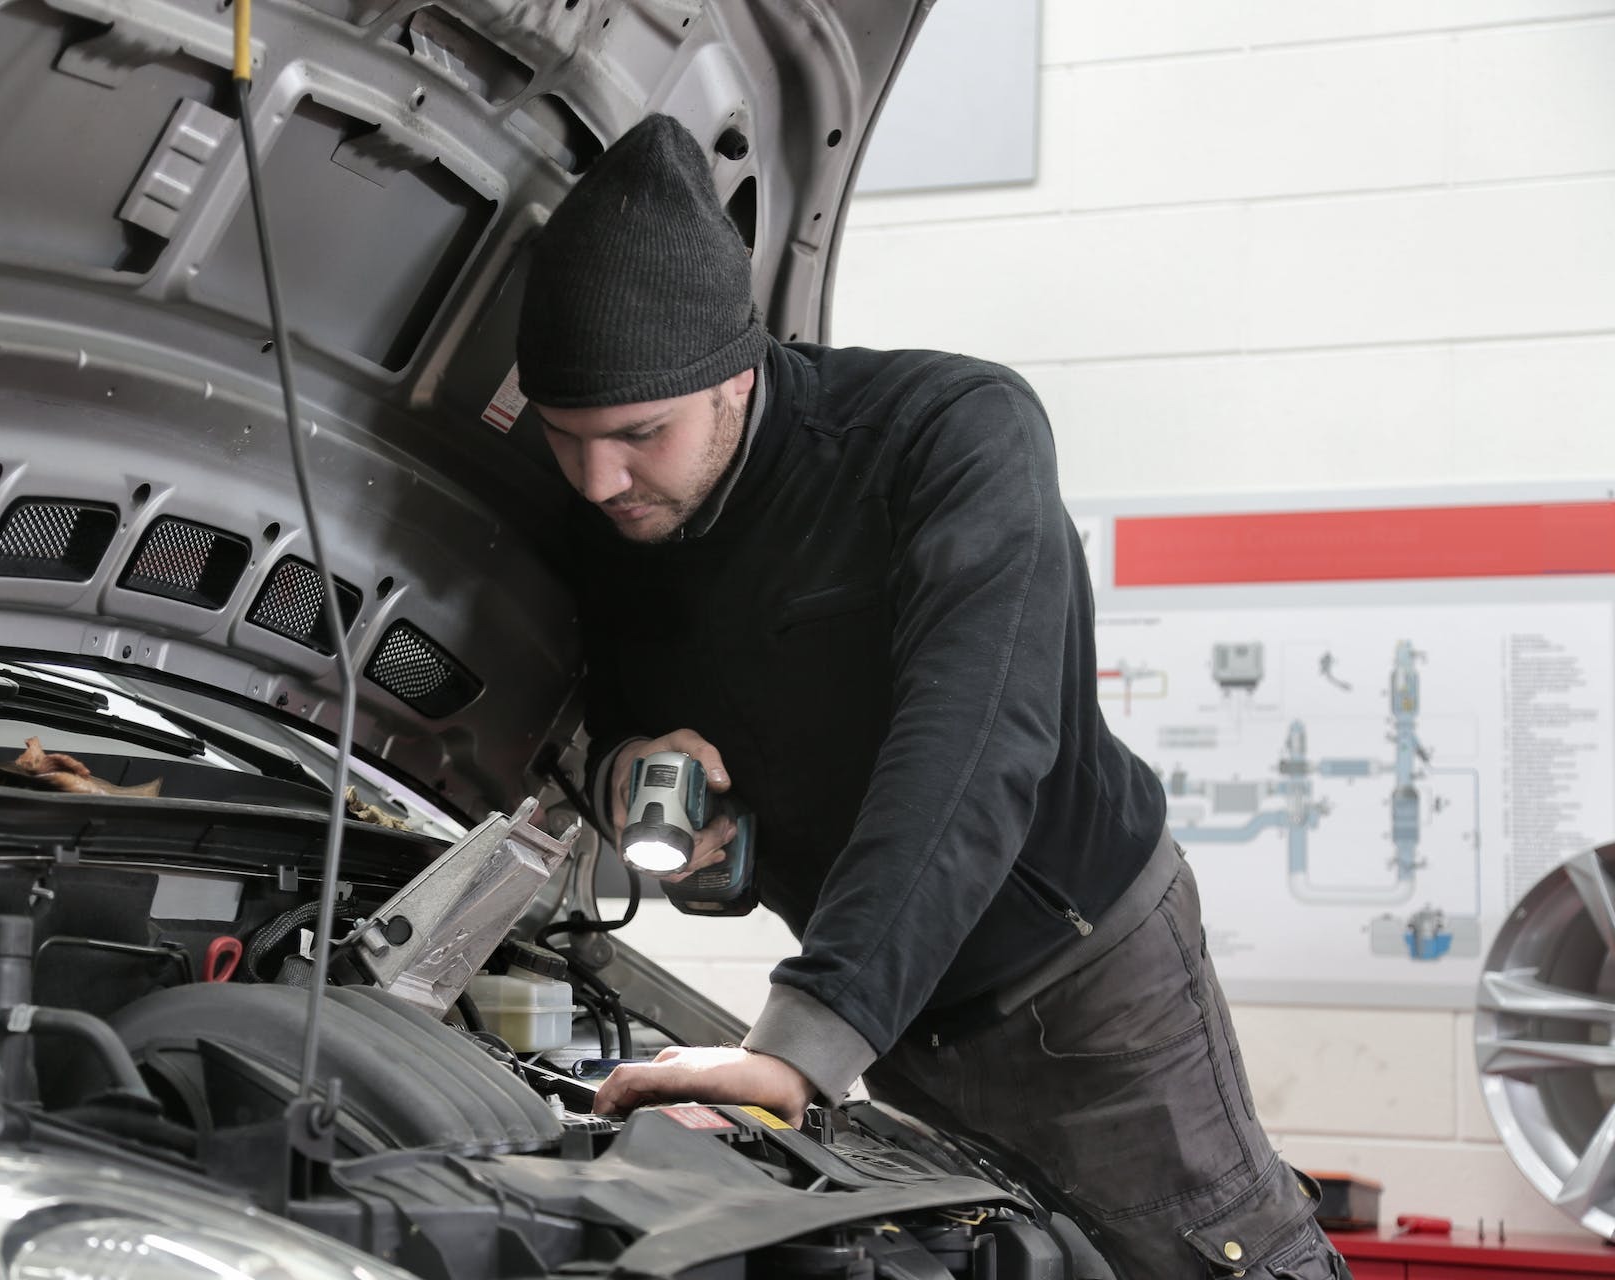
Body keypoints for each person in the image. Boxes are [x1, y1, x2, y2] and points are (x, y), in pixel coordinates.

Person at [513, 114, 1344, 1280]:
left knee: (1209, 1261)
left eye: (639, 434)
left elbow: (974, 741)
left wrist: (800, 1043)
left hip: (1085, 990)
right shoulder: (608, 518)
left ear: (737, 371)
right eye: (565, 438)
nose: (599, 479)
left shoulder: (947, 436)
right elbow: (590, 711)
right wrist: (635, 787)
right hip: (890, 1017)